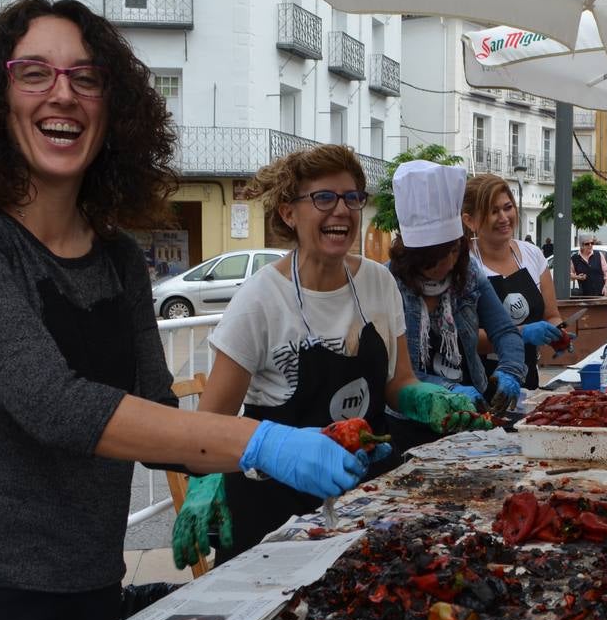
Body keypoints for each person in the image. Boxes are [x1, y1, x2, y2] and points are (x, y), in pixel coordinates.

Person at [0, 0, 377, 620]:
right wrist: (261, 444)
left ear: (114, 109)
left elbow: (159, 405)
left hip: (87, 588)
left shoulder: (115, 259)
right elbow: (53, 403)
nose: (62, 94)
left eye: (86, 77)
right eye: (34, 73)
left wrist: (213, 476)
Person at [191, 148, 486, 564]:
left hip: (364, 495)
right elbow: (209, 423)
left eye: (352, 198)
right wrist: (203, 487)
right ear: (289, 213)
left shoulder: (379, 283)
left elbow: (398, 382)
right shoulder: (259, 300)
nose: (342, 211)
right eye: (324, 198)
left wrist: (426, 399)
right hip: (274, 509)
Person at [386, 160, 525, 449]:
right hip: (409, 424)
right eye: (433, 259)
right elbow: (398, 373)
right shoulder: (387, 284)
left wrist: (509, 370)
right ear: (411, 256)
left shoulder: (470, 271)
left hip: (471, 414)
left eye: (452, 252)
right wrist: (447, 390)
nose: (446, 264)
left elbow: (505, 332)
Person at [465, 174, 563, 388]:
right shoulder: (464, 266)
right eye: (493, 211)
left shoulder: (533, 255)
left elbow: (552, 314)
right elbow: (464, 337)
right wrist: (522, 334)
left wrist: (558, 333)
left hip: (527, 377)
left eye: (507, 207)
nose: (503, 217)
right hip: (481, 381)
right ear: (470, 221)